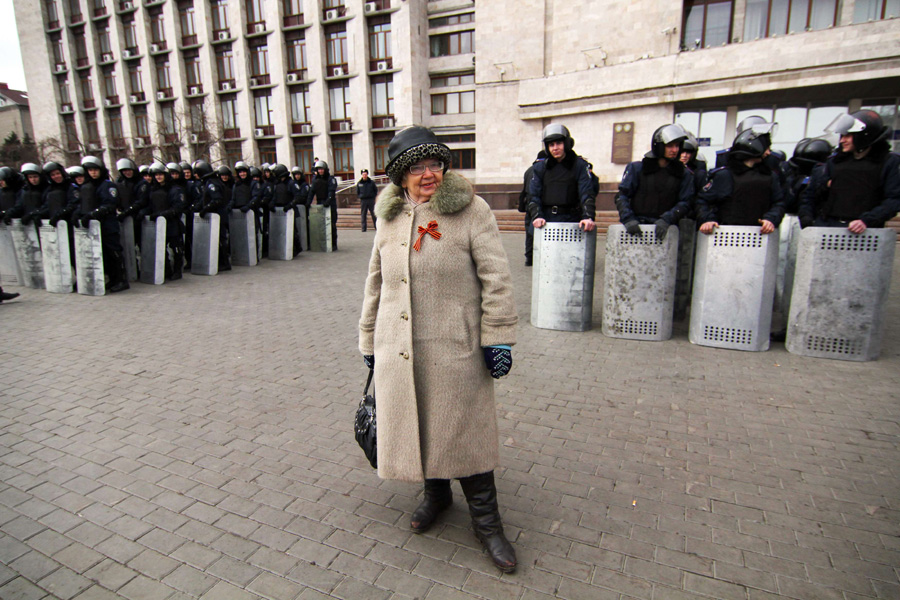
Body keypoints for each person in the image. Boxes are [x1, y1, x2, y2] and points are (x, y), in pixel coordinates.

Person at [358, 126, 519, 573]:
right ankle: (436, 495)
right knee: (419, 422)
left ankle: (487, 523)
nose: (428, 174)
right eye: (417, 167)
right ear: (399, 175)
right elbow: (376, 282)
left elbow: (497, 277)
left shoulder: (472, 210)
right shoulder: (388, 216)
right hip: (399, 343)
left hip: (455, 345)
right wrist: (369, 338)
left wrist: (498, 336)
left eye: (435, 164)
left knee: (463, 430)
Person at [799, 110, 900, 233]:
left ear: (864, 135)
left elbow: (894, 199)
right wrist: (808, 219)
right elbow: (810, 195)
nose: (842, 141)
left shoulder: (889, 162)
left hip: (864, 232)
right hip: (828, 227)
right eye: (842, 136)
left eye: (848, 136)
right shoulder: (835, 161)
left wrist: (866, 220)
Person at [696, 129, 785, 235]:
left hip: (760, 236)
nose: (768, 153)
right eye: (766, 148)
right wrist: (707, 220)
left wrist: (770, 219)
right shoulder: (724, 175)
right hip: (725, 236)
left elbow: (779, 203)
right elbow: (702, 201)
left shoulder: (770, 176)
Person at [615, 123, 694, 239]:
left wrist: (667, 219)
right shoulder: (637, 169)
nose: (675, 150)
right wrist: (628, 219)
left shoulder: (683, 174)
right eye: (670, 146)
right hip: (636, 229)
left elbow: (685, 201)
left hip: (664, 231)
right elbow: (622, 196)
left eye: (677, 146)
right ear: (660, 146)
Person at [72, 156, 130, 293]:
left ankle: (121, 280)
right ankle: (112, 279)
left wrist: (93, 214)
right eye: (90, 170)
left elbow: (110, 204)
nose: (93, 173)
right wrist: (78, 214)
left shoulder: (107, 185)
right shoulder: (87, 186)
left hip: (108, 225)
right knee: (103, 254)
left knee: (114, 253)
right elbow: (84, 203)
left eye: (95, 170)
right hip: (94, 227)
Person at [527, 124, 596, 233]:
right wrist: (537, 216)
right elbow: (534, 195)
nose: (555, 148)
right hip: (545, 221)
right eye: (551, 145)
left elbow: (586, 193)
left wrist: (588, 216)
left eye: (559, 143)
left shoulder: (579, 166)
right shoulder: (540, 168)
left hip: (572, 220)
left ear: (566, 143)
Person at [143, 163, 186, 280]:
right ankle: (166, 270)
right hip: (159, 224)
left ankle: (177, 271)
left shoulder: (175, 189)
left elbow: (178, 207)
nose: (158, 177)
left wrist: (162, 215)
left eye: (160, 174)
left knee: (176, 248)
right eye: (156, 175)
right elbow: (151, 205)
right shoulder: (153, 190)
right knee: (161, 248)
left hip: (172, 223)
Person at [519, 151, 546, 266]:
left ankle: (529, 257)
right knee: (540, 231)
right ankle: (541, 257)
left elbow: (524, 189)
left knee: (529, 233)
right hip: (540, 206)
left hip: (529, 205)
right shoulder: (544, 170)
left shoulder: (528, 170)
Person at [308, 160, 339, 249]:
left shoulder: (330, 179)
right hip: (320, 204)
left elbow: (331, 191)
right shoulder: (315, 180)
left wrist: (328, 201)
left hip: (330, 205)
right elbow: (312, 192)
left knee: (332, 224)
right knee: (320, 225)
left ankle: (333, 244)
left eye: (322, 169)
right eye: (319, 169)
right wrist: (308, 202)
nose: (320, 171)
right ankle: (322, 243)